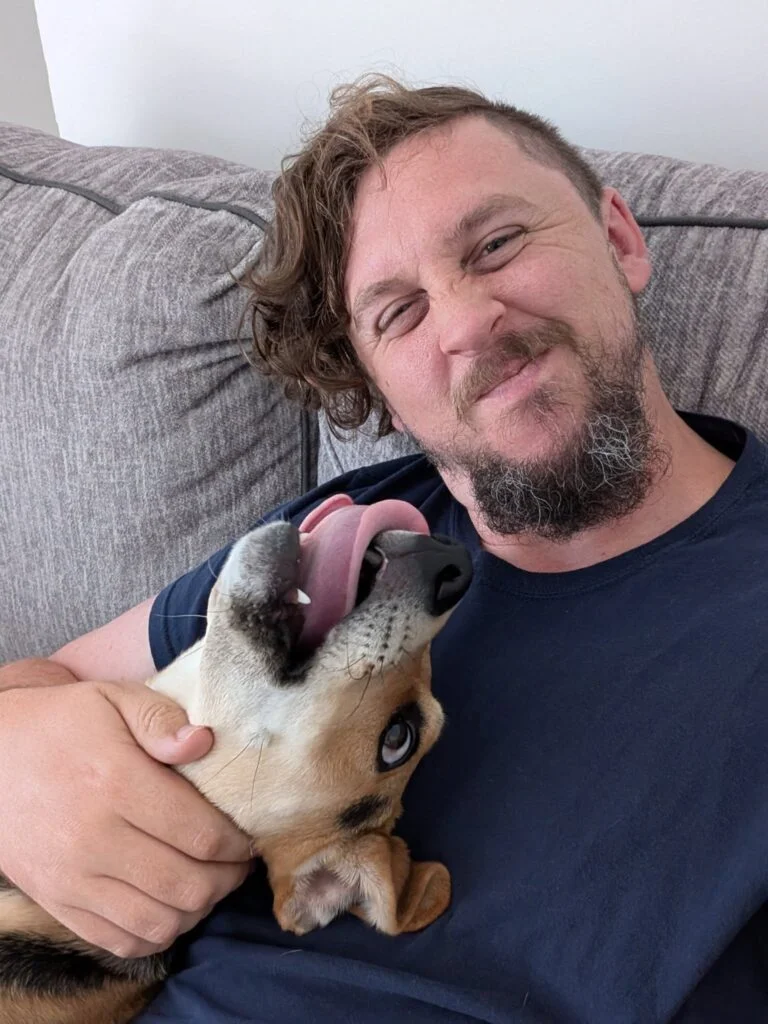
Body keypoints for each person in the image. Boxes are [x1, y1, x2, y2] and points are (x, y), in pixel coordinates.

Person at [1, 74, 767, 1023]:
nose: (465, 323)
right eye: (398, 312)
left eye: (497, 244)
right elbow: (39, 681)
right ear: (378, 385)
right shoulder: (344, 533)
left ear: (619, 238)